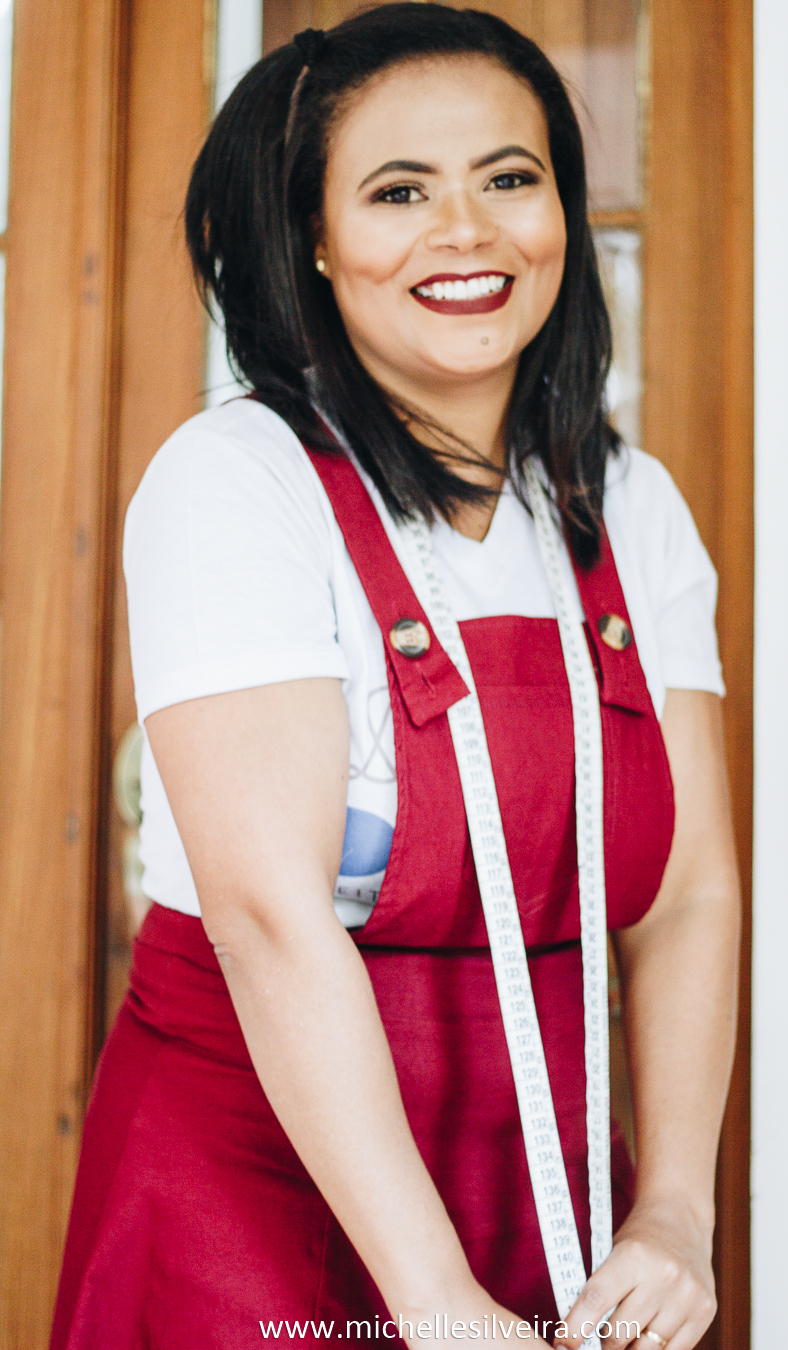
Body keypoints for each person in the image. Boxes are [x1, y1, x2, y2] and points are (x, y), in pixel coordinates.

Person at [50, 7, 741, 1349]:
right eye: (399, 192)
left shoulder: (629, 506)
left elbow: (690, 896)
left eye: (509, 177)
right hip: (259, 1175)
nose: (466, 232)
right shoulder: (238, 484)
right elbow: (270, 919)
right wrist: (434, 1301)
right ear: (314, 237)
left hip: (542, 1170)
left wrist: (672, 1210)